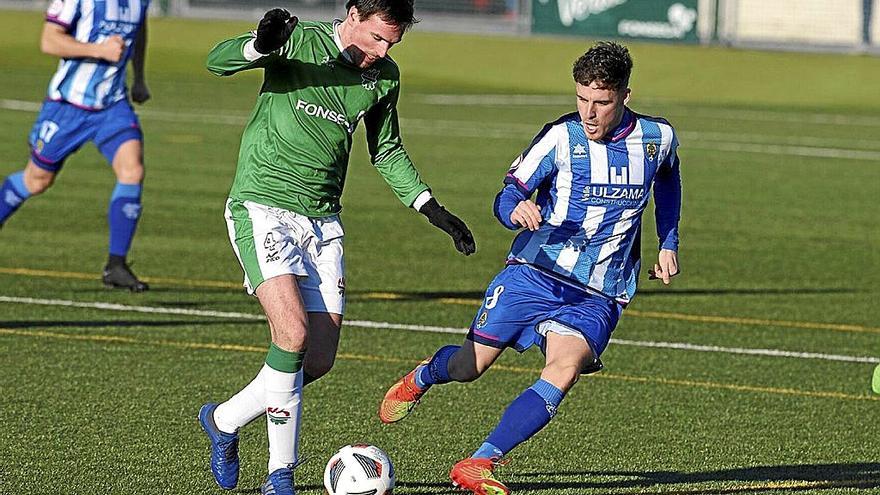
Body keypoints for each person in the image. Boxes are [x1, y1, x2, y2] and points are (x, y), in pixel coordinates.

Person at [379, 41, 682, 495]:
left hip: (599, 292)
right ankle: (423, 376)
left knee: (564, 369)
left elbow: (669, 179)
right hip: (534, 272)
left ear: (625, 95)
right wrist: (515, 209)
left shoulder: (659, 138)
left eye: (601, 102)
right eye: (582, 99)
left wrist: (668, 242)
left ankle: (479, 463)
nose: (589, 112)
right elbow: (506, 196)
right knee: (469, 367)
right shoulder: (561, 137)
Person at [197, 2, 476, 494]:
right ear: (352, 13)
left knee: (318, 360)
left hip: (323, 223)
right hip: (263, 205)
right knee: (292, 335)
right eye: (375, 38)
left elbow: (386, 149)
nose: (381, 52)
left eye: (391, 43)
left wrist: (432, 208)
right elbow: (217, 62)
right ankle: (279, 476)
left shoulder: (384, 76)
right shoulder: (298, 40)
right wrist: (260, 45)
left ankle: (222, 419)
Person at [0, 0, 151, 291]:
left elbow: (139, 30)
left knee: (132, 170)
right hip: (68, 106)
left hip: (112, 105)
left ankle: (116, 265)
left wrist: (139, 78)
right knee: (37, 180)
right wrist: (99, 50)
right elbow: (49, 40)